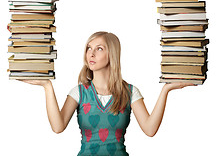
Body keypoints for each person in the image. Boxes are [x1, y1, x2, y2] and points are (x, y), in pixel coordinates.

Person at [22, 31, 195, 155]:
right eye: (89, 48)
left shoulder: (130, 92)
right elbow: (57, 127)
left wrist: (166, 89)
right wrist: (47, 87)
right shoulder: (79, 92)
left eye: (99, 48)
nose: (91, 53)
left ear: (111, 54)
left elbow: (150, 129)